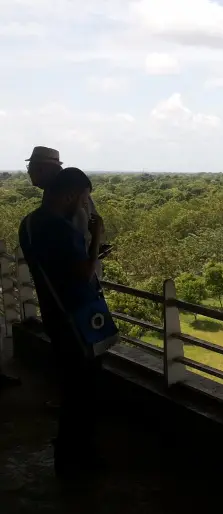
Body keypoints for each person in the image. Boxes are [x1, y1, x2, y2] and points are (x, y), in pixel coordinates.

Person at [19, 168, 106, 476]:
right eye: (83, 199)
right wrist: (95, 238)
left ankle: (68, 458)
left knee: (71, 389)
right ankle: (77, 460)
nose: (85, 206)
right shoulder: (58, 229)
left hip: (54, 313)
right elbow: (83, 273)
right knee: (82, 393)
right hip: (75, 317)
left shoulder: (30, 223)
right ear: (69, 195)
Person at [26, 146, 104, 273]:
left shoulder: (67, 196)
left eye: (32, 168)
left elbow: (79, 238)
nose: (29, 172)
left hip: (79, 269)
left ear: (44, 169)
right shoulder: (56, 193)